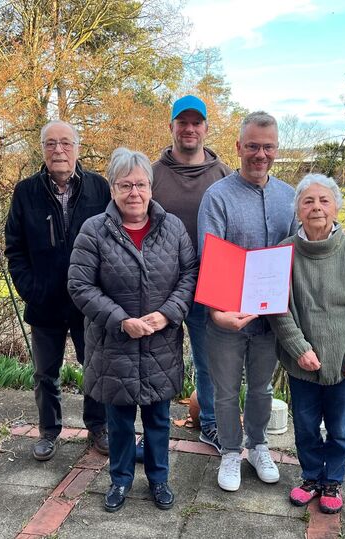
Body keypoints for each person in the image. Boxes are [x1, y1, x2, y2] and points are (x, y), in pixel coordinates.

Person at [68, 148, 197, 512]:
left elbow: (189, 274)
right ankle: (120, 480)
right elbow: (80, 286)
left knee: (158, 418)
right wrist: (121, 320)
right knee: (119, 419)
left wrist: (167, 314)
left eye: (140, 184)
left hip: (161, 342)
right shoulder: (94, 231)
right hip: (113, 344)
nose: (134, 193)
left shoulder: (171, 227)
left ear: (151, 188)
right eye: (125, 185)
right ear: (112, 189)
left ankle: (159, 479)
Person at [268, 174, 345, 514]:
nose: (316, 207)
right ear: (298, 210)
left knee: (339, 428)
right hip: (302, 361)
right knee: (305, 426)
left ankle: (332, 479)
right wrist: (298, 348)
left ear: (336, 207)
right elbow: (278, 309)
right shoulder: (283, 252)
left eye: (324, 201)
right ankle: (310, 477)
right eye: (308, 201)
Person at [197, 111, 297, 492]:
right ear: (239, 147)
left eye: (267, 147)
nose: (260, 154)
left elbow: (295, 257)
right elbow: (210, 257)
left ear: (276, 149)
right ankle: (229, 450)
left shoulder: (289, 198)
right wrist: (217, 313)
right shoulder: (218, 197)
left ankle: (258, 445)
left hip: (270, 320)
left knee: (261, 389)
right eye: (253, 146)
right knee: (224, 389)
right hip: (225, 318)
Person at [5, 119, 110, 461]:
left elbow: (112, 240)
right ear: (42, 150)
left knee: (93, 367)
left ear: (77, 148)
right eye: (50, 144)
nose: (58, 150)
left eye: (65, 143)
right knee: (44, 372)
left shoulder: (99, 188)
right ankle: (49, 432)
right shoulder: (26, 192)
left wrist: (104, 289)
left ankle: (98, 428)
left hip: (88, 300)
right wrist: (31, 288)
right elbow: (15, 248)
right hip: (45, 300)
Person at [150, 94, 232, 454]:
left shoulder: (223, 174)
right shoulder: (151, 174)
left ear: (205, 129)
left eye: (196, 122)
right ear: (171, 127)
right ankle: (153, 427)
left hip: (208, 286)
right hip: (159, 286)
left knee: (208, 360)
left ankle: (211, 424)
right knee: (154, 358)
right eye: (182, 122)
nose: (189, 128)